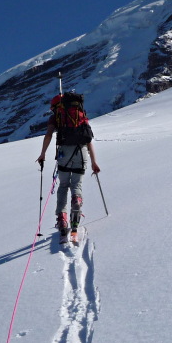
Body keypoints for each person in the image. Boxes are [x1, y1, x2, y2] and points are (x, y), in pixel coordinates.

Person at [36, 94, 101, 241]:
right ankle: (76, 201)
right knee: (77, 184)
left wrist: (42, 154)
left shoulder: (56, 117)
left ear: (55, 107)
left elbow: (48, 136)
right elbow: (88, 139)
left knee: (63, 185)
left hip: (64, 153)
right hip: (81, 152)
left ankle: (62, 219)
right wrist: (94, 162)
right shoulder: (80, 114)